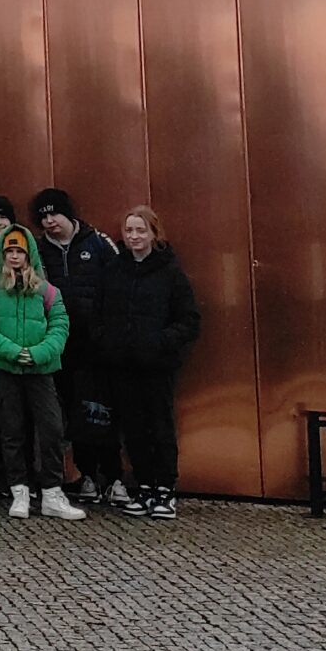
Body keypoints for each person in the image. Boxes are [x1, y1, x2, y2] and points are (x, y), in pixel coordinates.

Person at [91, 205, 201, 520]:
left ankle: (165, 489)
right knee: (133, 428)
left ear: (154, 233)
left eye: (141, 230)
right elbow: (98, 312)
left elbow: (189, 320)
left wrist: (161, 342)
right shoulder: (114, 270)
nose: (135, 236)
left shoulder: (170, 272)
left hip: (156, 365)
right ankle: (144, 485)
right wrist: (107, 341)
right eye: (129, 231)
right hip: (122, 364)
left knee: (160, 426)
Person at [0, 225, 83, 519]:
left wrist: (38, 354)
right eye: (9, 251)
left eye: (19, 251)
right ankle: (19, 491)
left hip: (41, 370)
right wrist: (11, 351)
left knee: (51, 428)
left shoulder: (47, 290)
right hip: (4, 369)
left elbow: (60, 325)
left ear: (29, 254)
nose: (14, 256)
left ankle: (52, 493)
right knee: (12, 431)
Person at [30, 188, 121, 503]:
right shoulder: (40, 250)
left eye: (54, 213)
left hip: (98, 345)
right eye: (43, 216)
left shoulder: (98, 243)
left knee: (104, 410)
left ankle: (115, 476)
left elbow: (119, 285)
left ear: (68, 214)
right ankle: (87, 476)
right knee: (72, 412)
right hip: (60, 345)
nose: (50, 221)